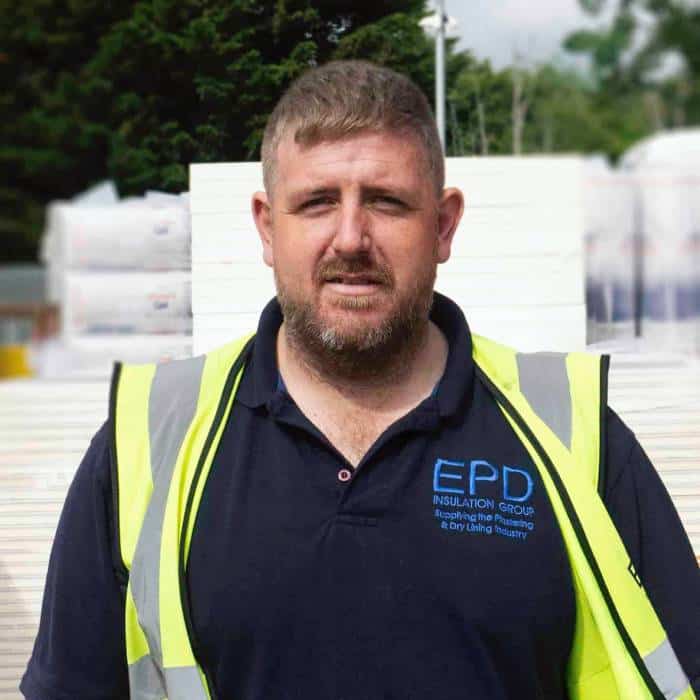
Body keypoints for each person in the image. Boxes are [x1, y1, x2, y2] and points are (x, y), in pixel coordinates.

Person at [21, 60, 699, 700]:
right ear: (266, 227)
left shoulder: (573, 432)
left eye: (387, 202)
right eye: (316, 202)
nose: (350, 238)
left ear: (444, 225)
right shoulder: (148, 441)